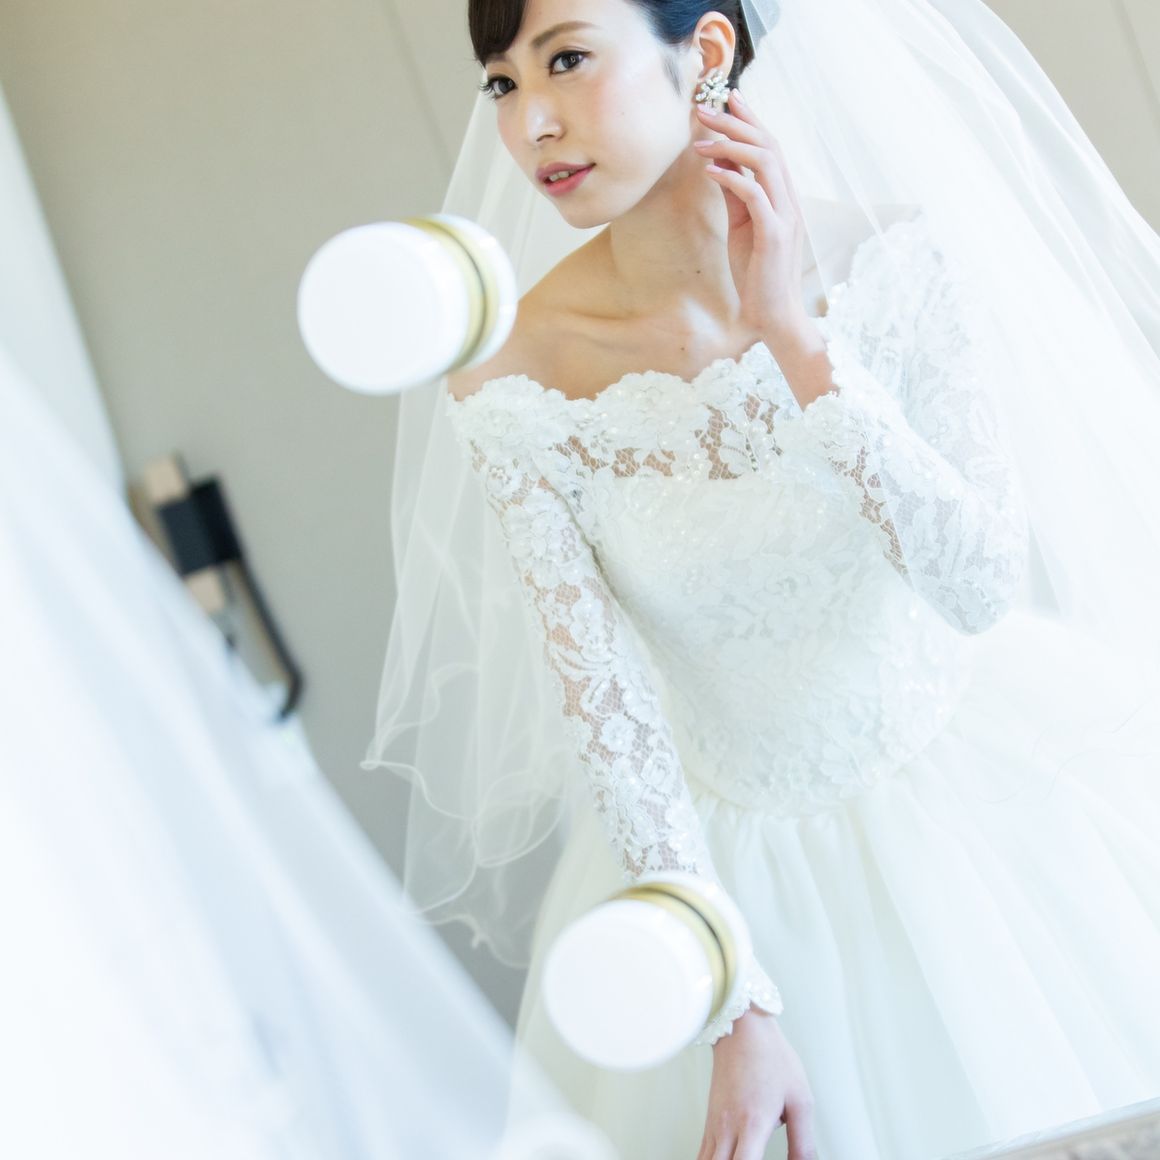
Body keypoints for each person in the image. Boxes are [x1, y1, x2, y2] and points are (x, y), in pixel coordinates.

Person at [363, 0, 1160, 1157]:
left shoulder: (890, 259)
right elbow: (605, 701)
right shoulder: (511, 374)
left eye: (566, 60)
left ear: (705, 54)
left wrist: (795, 336)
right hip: (733, 875)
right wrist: (729, 1002)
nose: (530, 123)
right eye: (501, 83)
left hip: (990, 813)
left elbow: (977, 583)